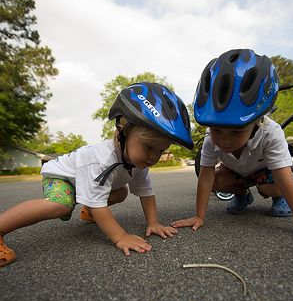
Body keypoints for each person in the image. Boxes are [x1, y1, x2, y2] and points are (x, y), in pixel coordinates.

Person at [0, 82, 194, 266]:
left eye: (160, 151)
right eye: (149, 147)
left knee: (121, 192)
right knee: (61, 205)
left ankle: (87, 211)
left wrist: (154, 222)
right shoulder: (102, 160)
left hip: (85, 182)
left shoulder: (139, 162)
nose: (154, 156)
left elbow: (146, 192)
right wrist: (120, 237)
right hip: (62, 177)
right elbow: (99, 204)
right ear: (122, 132)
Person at [172, 48, 293, 244]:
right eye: (216, 130)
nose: (224, 140)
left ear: (258, 121)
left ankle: (277, 197)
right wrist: (199, 216)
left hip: (266, 173)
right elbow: (206, 177)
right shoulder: (209, 139)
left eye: (236, 132)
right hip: (237, 174)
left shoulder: (271, 133)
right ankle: (243, 195)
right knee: (216, 179)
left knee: (273, 186)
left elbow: (285, 179)